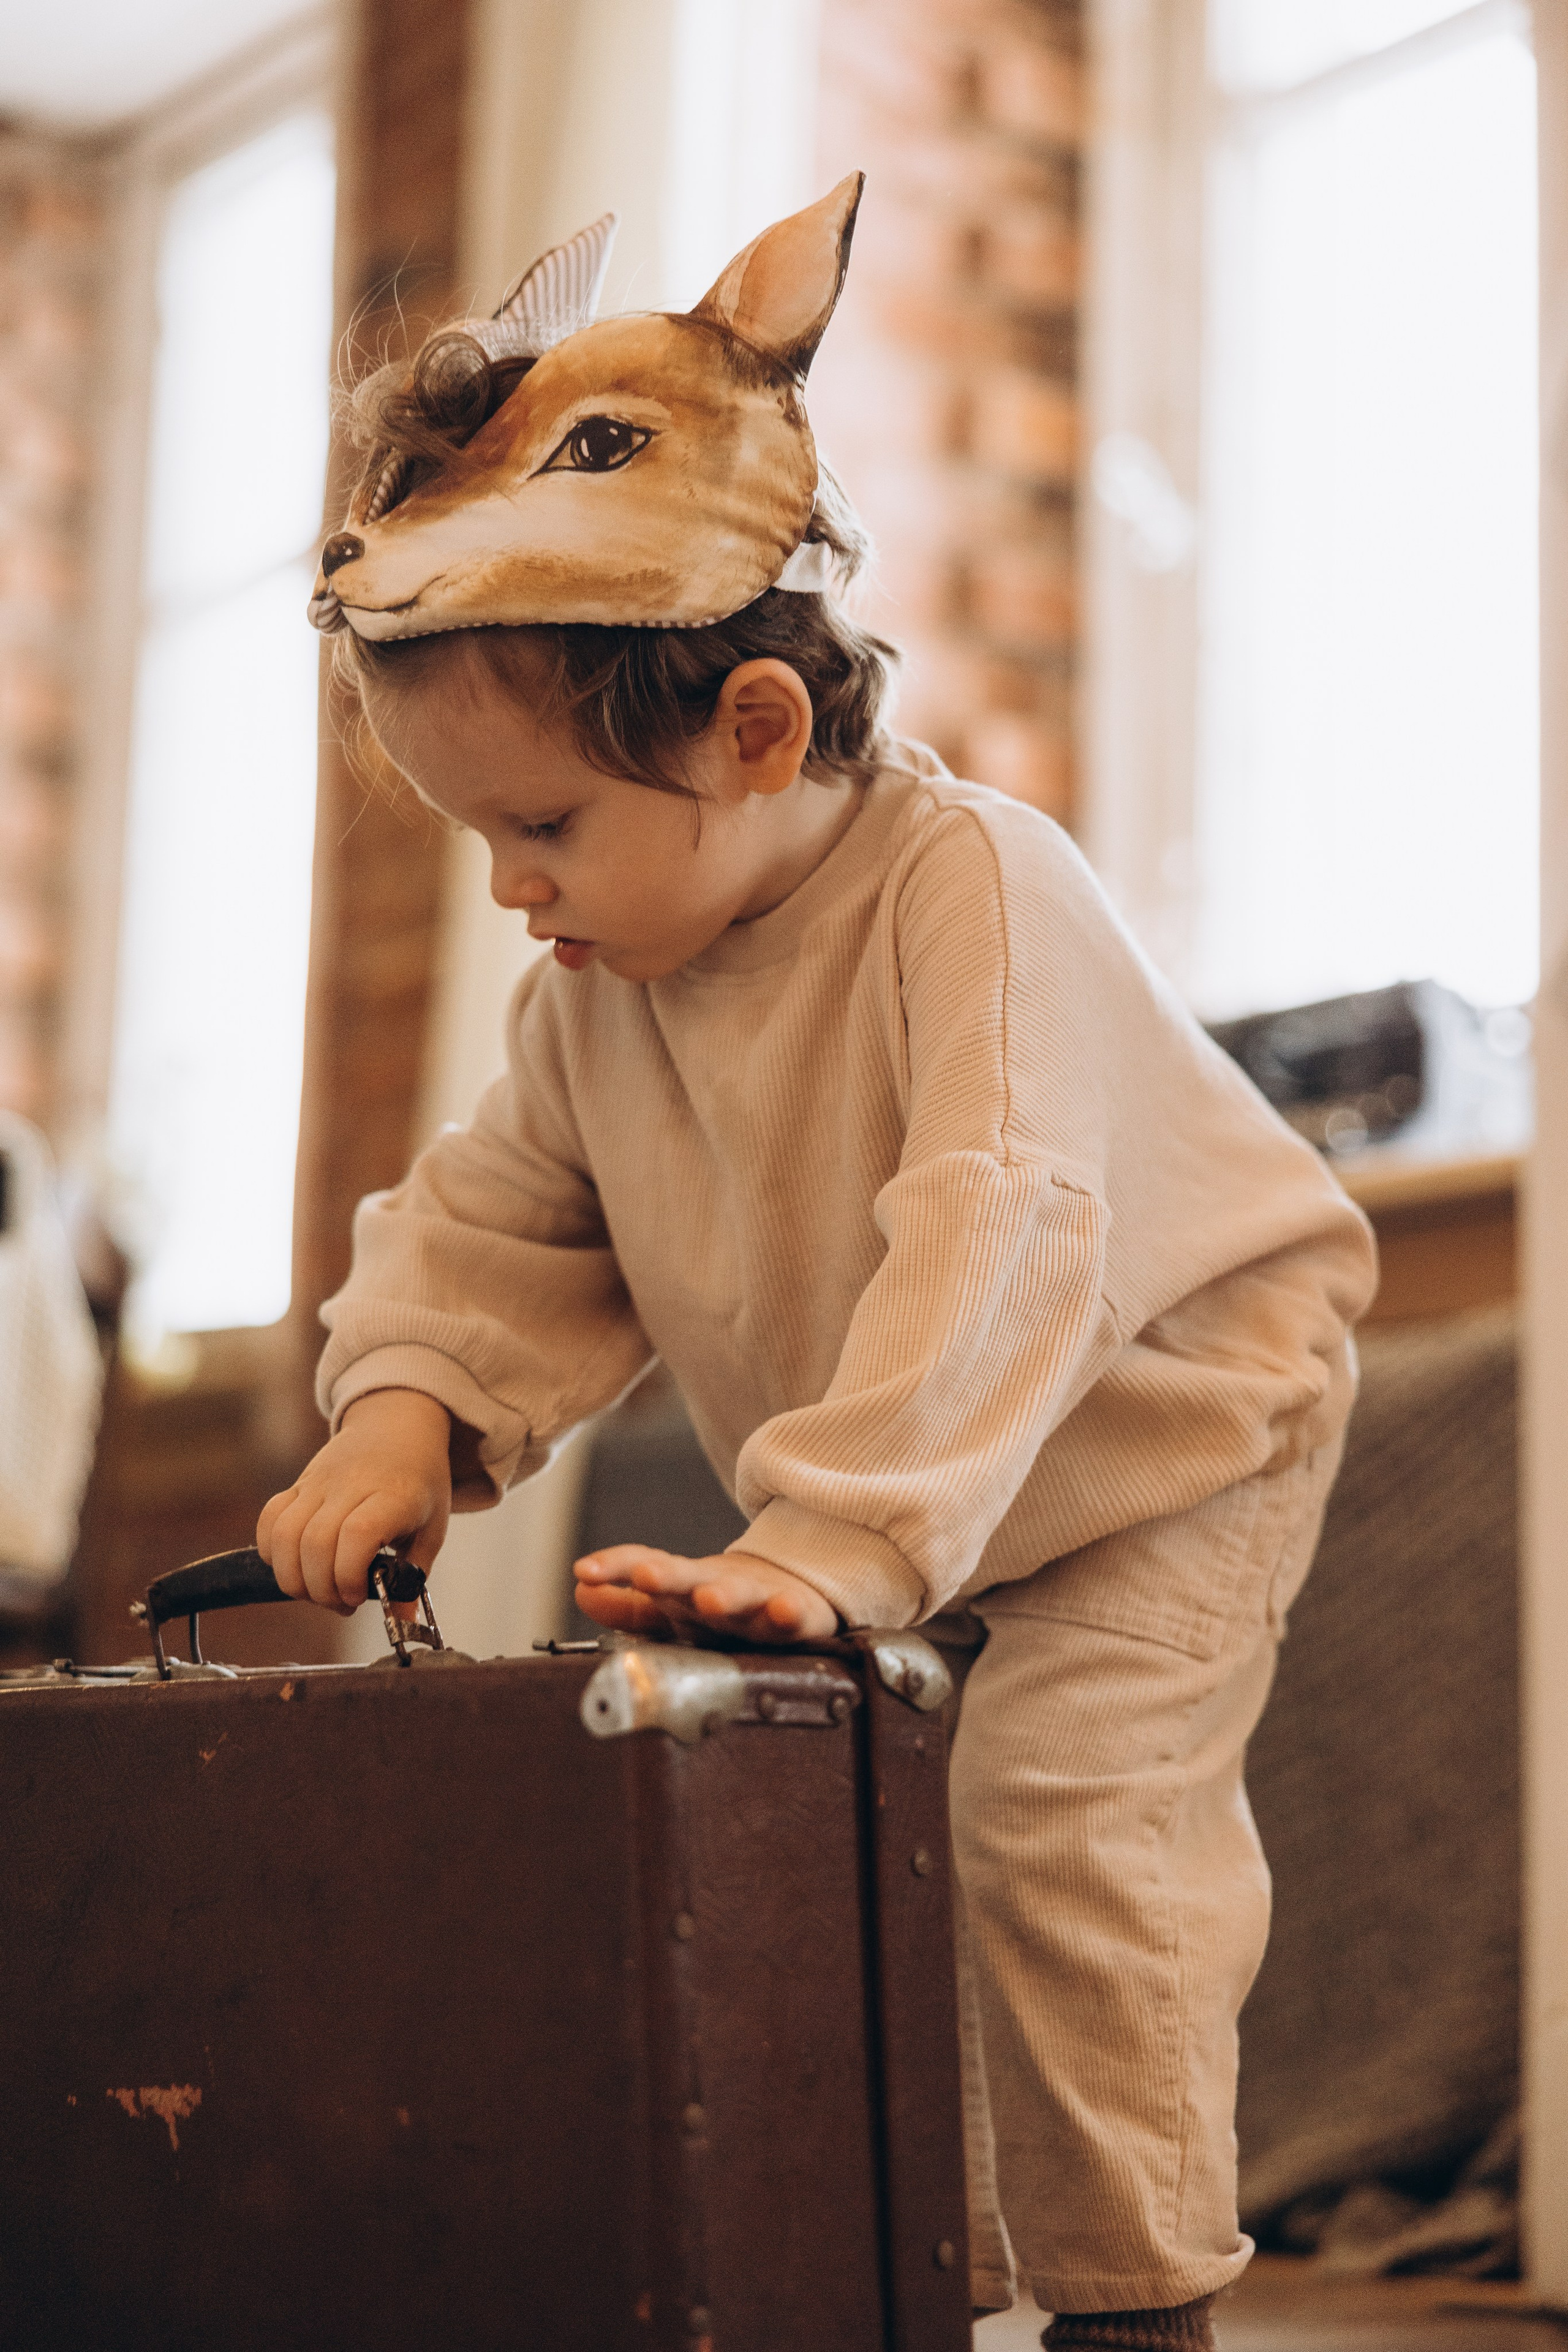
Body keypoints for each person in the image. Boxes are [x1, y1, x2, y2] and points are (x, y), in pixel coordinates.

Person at [260, 178, 1378, 2348]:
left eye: (548, 828)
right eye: (479, 840)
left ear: (757, 737)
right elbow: (499, 1225)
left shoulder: (973, 889)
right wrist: (402, 1415)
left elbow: (1009, 1227)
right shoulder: (597, 988)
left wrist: (843, 1537)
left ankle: (1139, 2309)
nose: (512, 890)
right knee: (832, 1839)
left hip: (1168, 1432)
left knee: (1061, 1817)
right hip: (919, 1495)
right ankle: (873, 2269)